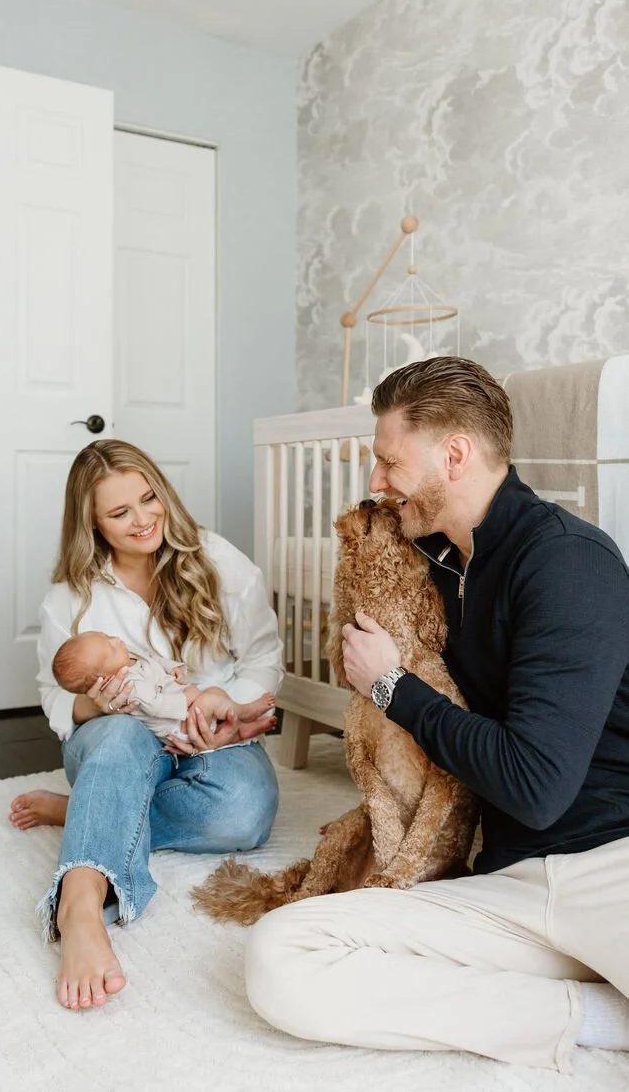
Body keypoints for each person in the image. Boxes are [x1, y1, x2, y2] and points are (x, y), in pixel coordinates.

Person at [245, 357, 629, 1073]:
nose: (375, 482)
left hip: (612, 864)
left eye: (389, 460)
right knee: (280, 953)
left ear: (455, 454)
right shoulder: (439, 561)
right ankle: (588, 1016)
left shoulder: (569, 562)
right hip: (509, 882)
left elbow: (537, 785)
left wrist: (394, 686)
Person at [9, 439, 282, 1012]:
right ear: (92, 525)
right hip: (117, 739)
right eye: (119, 512)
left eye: (148, 498)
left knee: (246, 808)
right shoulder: (72, 595)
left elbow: (263, 659)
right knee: (124, 737)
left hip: (208, 735)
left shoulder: (218, 560)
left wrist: (223, 708)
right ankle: (80, 904)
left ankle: (90, 809)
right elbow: (53, 697)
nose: (142, 520)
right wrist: (99, 708)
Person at [51, 629, 275, 745]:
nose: (117, 640)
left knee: (216, 694)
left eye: (108, 637)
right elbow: (157, 706)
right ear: (104, 679)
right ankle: (245, 712)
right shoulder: (130, 687)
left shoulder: (128, 660)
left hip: (186, 708)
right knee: (210, 699)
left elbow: (153, 660)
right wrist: (189, 696)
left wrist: (172, 668)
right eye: (110, 648)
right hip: (178, 724)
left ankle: (241, 729)